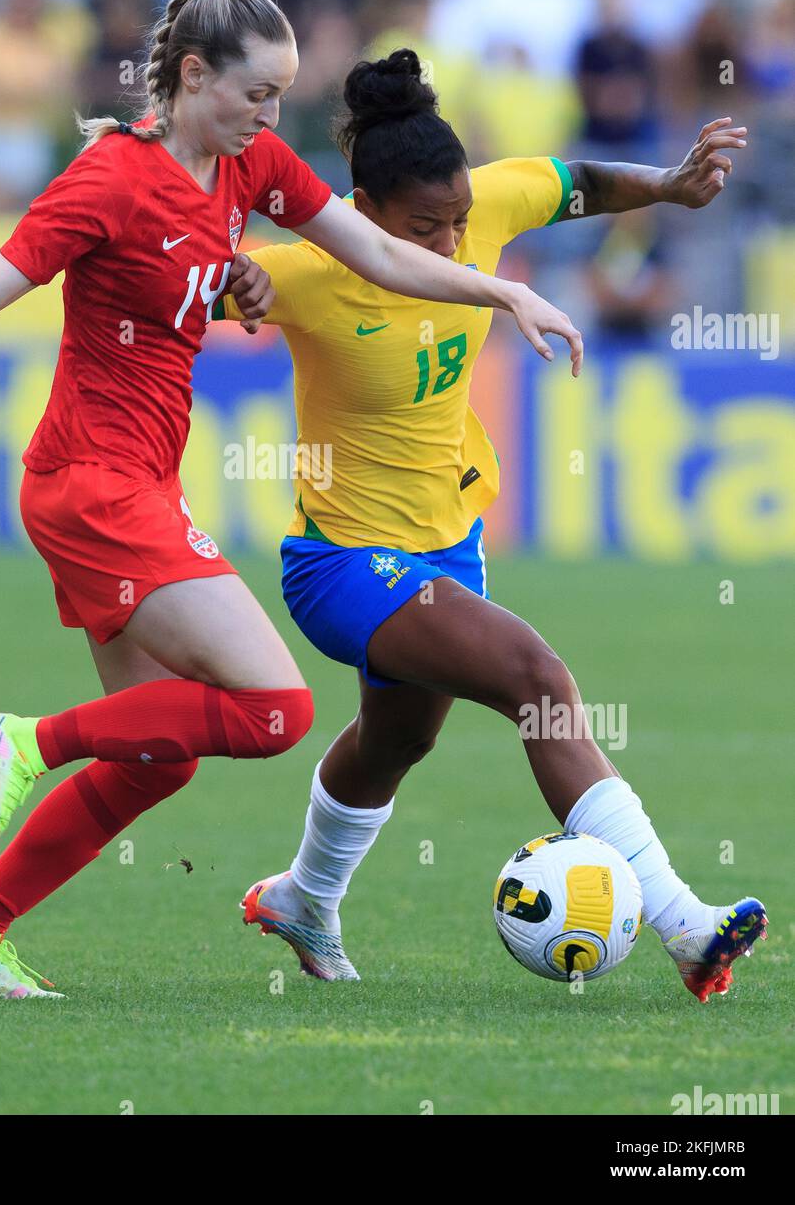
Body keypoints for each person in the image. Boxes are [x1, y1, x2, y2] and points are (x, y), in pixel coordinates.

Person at [0, 0, 580, 1000]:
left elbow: (381, 256)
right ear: (194, 74)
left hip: (130, 485)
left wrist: (498, 290)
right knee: (271, 710)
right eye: (257, 93)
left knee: (157, 750)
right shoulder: (110, 179)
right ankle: (19, 740)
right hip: (90, 485)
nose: (271, 114)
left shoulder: (248, 165)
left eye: (281, 95)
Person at [220, 50, 764, 1003]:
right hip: (343, 562)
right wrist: (234, 281)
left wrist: (673, 188)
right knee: (537, 681)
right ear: (360, 211)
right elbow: (192, 280)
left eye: (461, 218)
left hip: (446, 542)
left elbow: (580, 181)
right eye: (425, 226)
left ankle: (304, 896)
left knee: (395, 742)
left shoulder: (483, 209)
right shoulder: (306, 275)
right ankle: (685, 924)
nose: (454, 238)